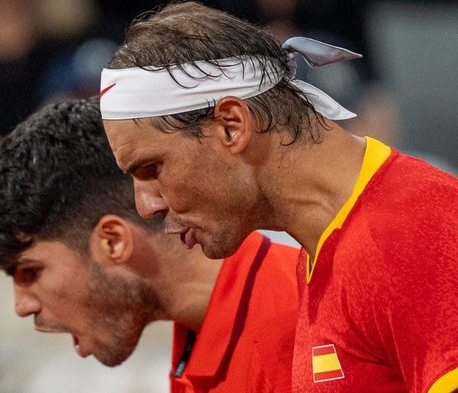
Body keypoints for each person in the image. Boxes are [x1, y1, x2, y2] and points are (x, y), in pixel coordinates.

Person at [99, 2, 458, 392]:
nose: (146, 205)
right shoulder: (326, 249)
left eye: (152, 168)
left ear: (232, 126)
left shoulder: (407, 232)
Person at [0, 96, 301, 392]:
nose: (22, 307)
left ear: (113, 242)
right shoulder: (196, 346)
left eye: (30, 271)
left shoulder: (299, 322)